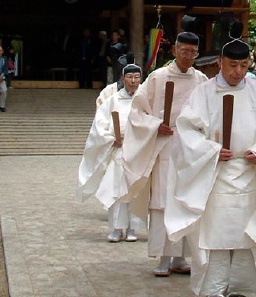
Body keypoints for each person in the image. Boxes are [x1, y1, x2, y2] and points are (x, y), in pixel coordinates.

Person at [164, 26, 256, 296]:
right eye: (232, 65)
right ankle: (213, 289)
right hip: (215, 175)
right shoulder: (204, 93)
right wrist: (211, 151)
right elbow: (186, 130)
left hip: (251, 173)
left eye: (244, 65)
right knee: (216, 238)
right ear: (220, 62)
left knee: (246, 238)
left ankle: (245, 289)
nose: (238, 72)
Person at [122, 32, 208, 277]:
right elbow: (137, 112)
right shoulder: (157, 78)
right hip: (164, 146)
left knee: (185, 201)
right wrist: (154, 125)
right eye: (184, 51)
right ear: (174, 51)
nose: (188, 56)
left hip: (190, 149)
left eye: (193, 52)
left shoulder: (201, 80)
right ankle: (163, 257)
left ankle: (180, 257)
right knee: (162, 204)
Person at [78, 64, 144, 242]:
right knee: (116, 189)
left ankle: (132, 228)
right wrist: (111, 138)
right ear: (123, 79)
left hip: (138, 152)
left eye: (136, 77)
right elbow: (99, 125)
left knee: (135, 190)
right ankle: (116, 227)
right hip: (119, 150)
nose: (133, 81)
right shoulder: (113, 100)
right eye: (129, 77)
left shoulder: (145, 100)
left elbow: (151, 122)